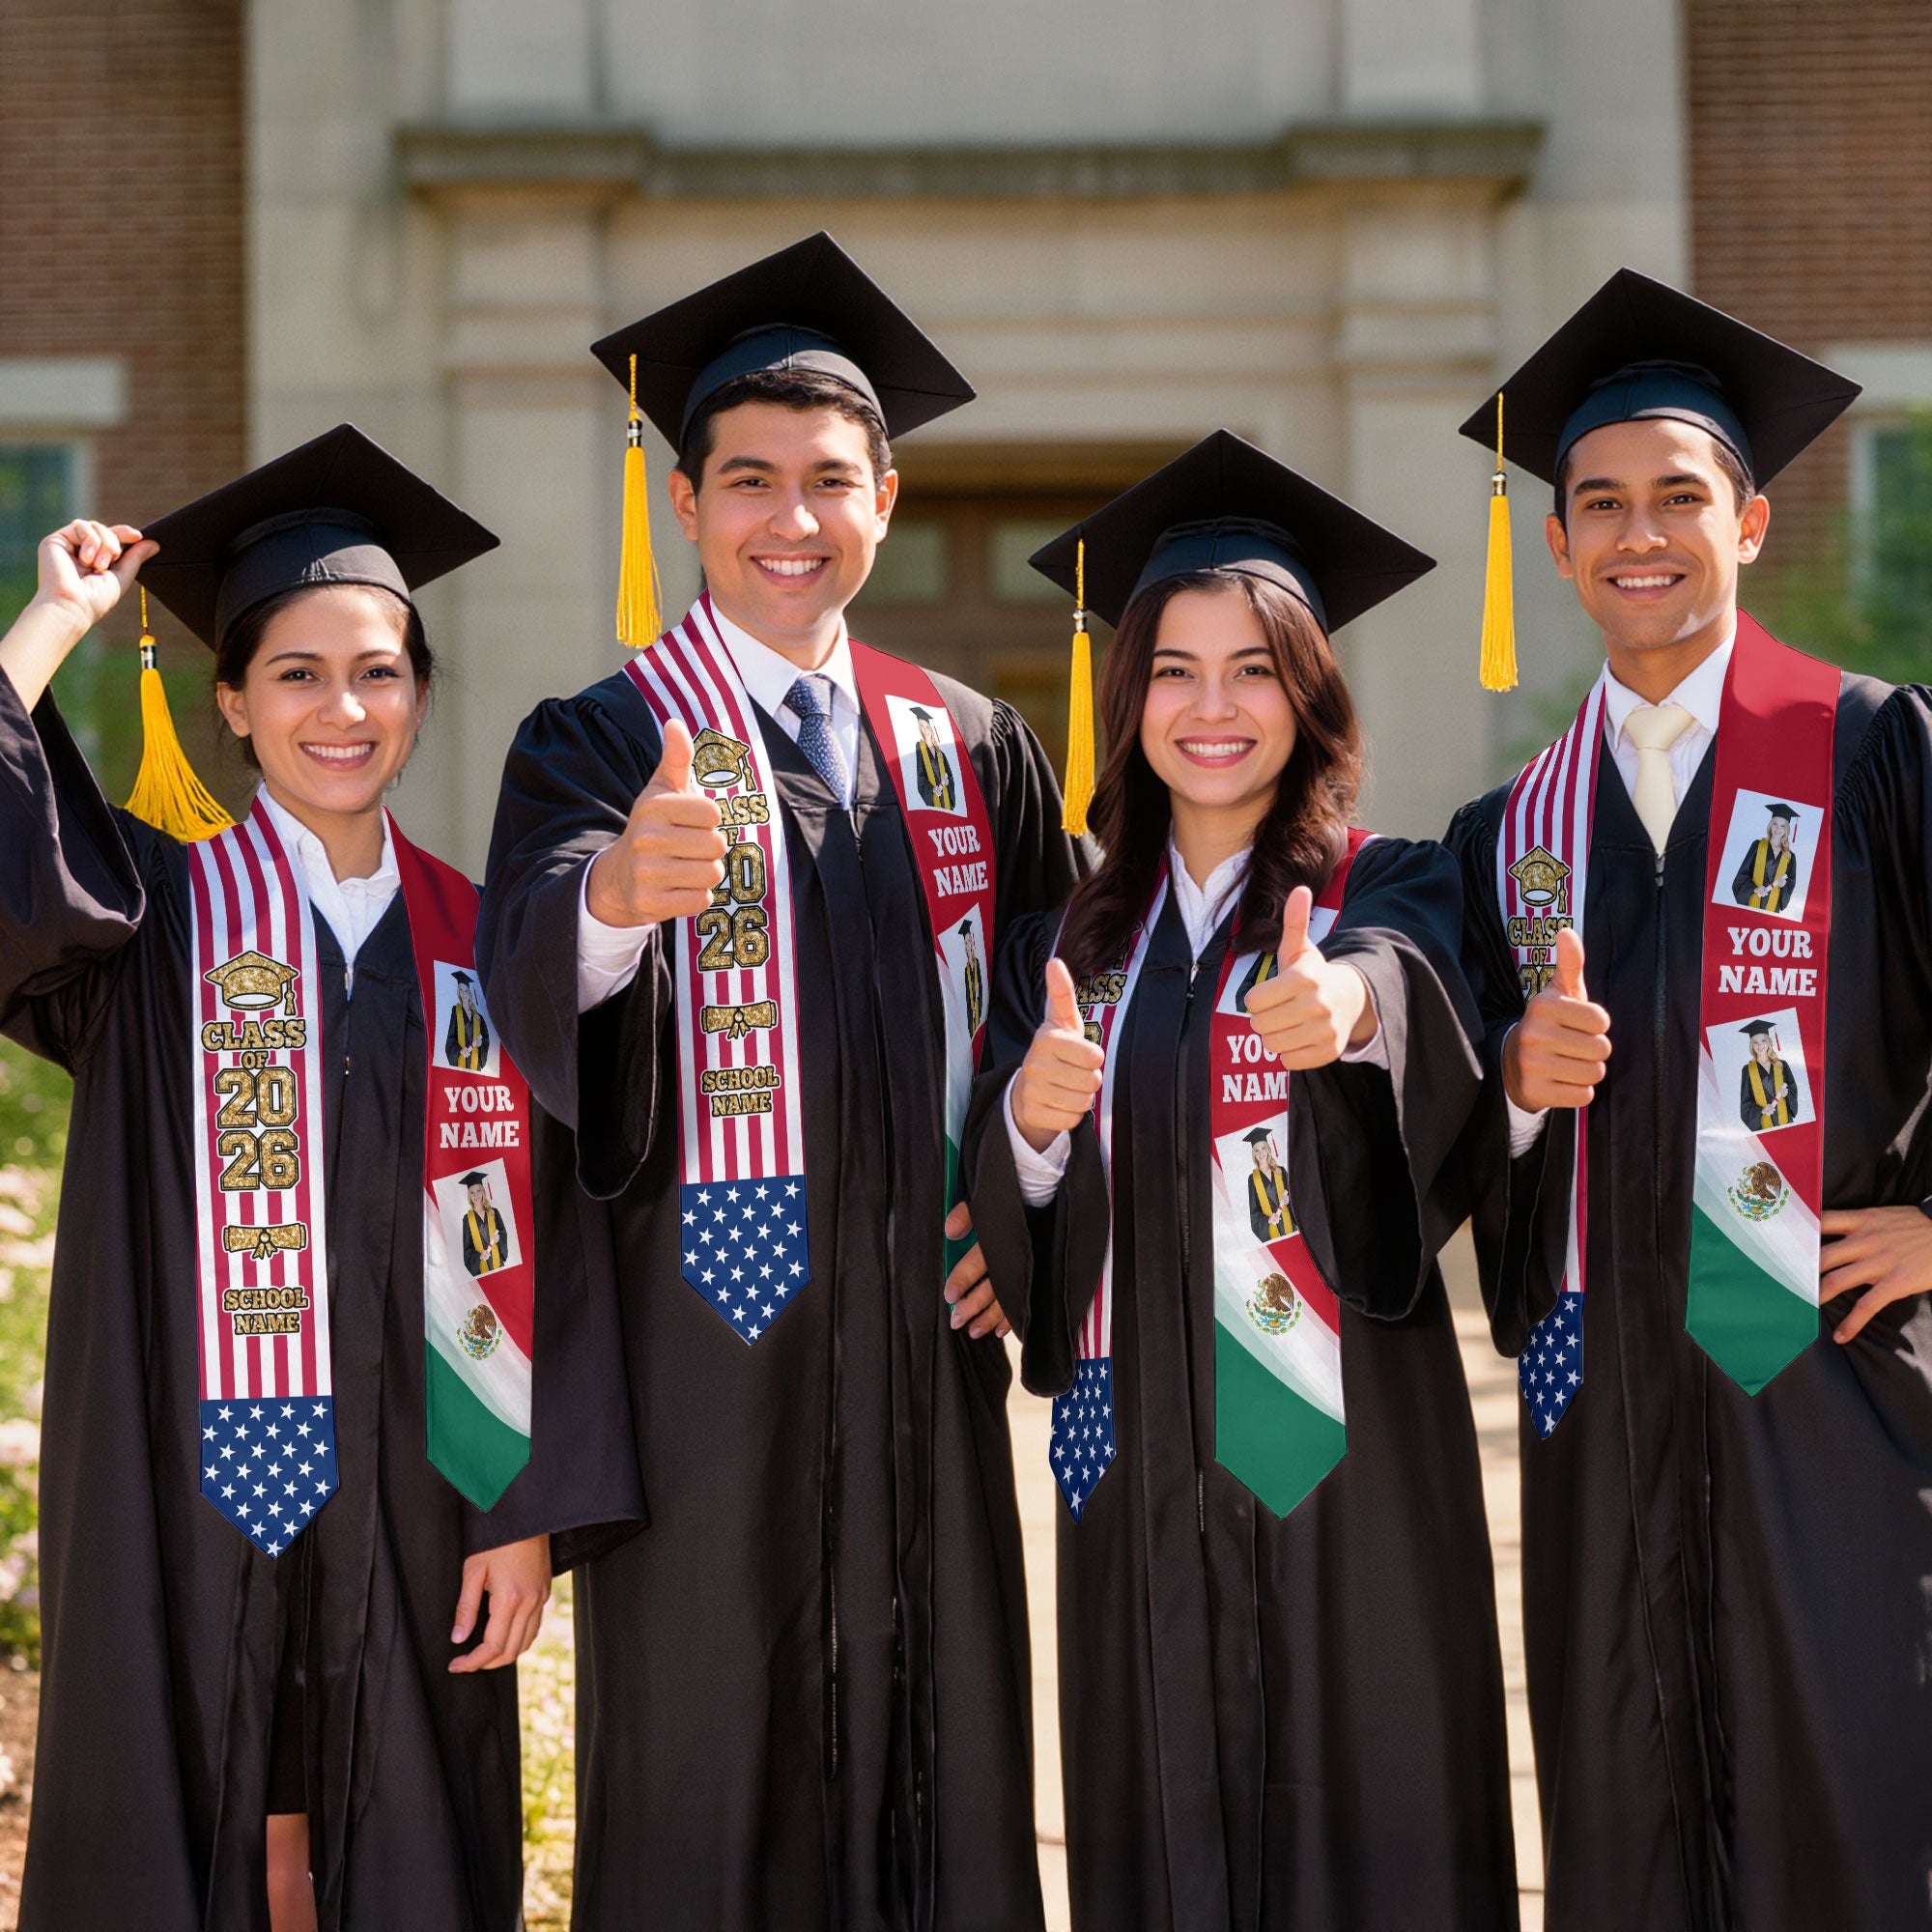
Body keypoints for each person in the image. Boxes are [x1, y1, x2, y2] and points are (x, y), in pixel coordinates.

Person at [477, 233, 1082, 1930]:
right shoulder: (600, 738)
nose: (790, 519)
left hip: (924, 1350)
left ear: (886, 496)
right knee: (710, 1769)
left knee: (942, 1752)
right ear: (686, 504)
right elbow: (530, 966)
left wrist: (1023, 1206)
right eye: (749, 481)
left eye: (830, 480)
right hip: (707, 1360)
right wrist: (611, 901)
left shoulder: (968, 743)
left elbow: (1074, 993)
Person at [0, 426, 640, 1932]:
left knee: (407, 1831)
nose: (340, 709)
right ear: (230, 702)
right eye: (295, 673)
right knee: (192, 1804)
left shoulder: (492, 941)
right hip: (183, 1478)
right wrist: (50, 625)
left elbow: (567, 1242)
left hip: (430, 1492)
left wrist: (528, 1507)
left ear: (420, 694)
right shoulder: (148, 921)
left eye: (378, 671)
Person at [963, 432, 1518, 1930]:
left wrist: (1349, 1013)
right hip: (1132, 1453)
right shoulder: (1068, 944)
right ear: (1126, 696)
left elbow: (1415, 991)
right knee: (1159, 1819)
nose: (1214, 709)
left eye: (1256, 668)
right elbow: (1014, 1196)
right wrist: (1027, 1118)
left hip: (1346, 1455)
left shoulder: (1386, 886)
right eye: (1175, 671)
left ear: (1311, 693)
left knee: (1375, 1814)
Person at [1446, 270, 1932, 1931]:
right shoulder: (1510, 834)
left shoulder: (1870, 750)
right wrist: (1511, 1087)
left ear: (1752, 521)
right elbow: (1444, 1135)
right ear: (1561, 542)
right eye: (1599, 505)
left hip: (1831, 1387)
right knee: (1626, 1817)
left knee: (1856, 1805)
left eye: (1678, 498)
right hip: (1603, 1412)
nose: (1637, 534)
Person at [1729, 800, 1801, 911]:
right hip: (1754, 901)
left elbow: (1791, 883)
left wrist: (1783, 885)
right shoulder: (1758, 846)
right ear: (1770, 825)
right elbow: (1743, 874)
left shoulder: (1790, 856)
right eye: (1775, 824)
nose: (1777, 829)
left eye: (1782, 826)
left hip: (1773, 907)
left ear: (1786, 829)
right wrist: (1756, 889)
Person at [1737, 1019, 1802, 1132]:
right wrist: (1762, 1110)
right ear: (1752, 1045)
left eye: (1763, 1040)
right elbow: (1745, 1102)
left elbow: (1792, 1089)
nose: (1760, 1045)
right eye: (1755, 1042)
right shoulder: (1747, 1070)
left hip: (1785, 1121)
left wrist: (1787, 1093)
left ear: (1768, 1042)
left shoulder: (1781, 1065)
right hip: (1763, 1125)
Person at [460, 1170, 509, 1275]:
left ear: (483, 1192)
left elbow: (503, 1233)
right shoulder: (467, 1219)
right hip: (482, 1267)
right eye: (472, 1193)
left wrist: (499, 1238)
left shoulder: (493, 1212)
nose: (476, 1195)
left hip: (498, 1265)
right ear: (469, 1195)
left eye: (478, 1191)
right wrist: (479, 1256)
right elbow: (467, 1248)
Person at [445, 969, 491, 1069]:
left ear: (470, 993)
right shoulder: (456, 1011)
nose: (463, 993)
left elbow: (485, 1038)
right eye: (460, 990)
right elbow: (451, 1038)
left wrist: (480, 1043)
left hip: (475, 1063)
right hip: (461, 1060)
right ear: (458, 991)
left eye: (466, 990)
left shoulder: (478, 1017)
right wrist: (460, 1050)